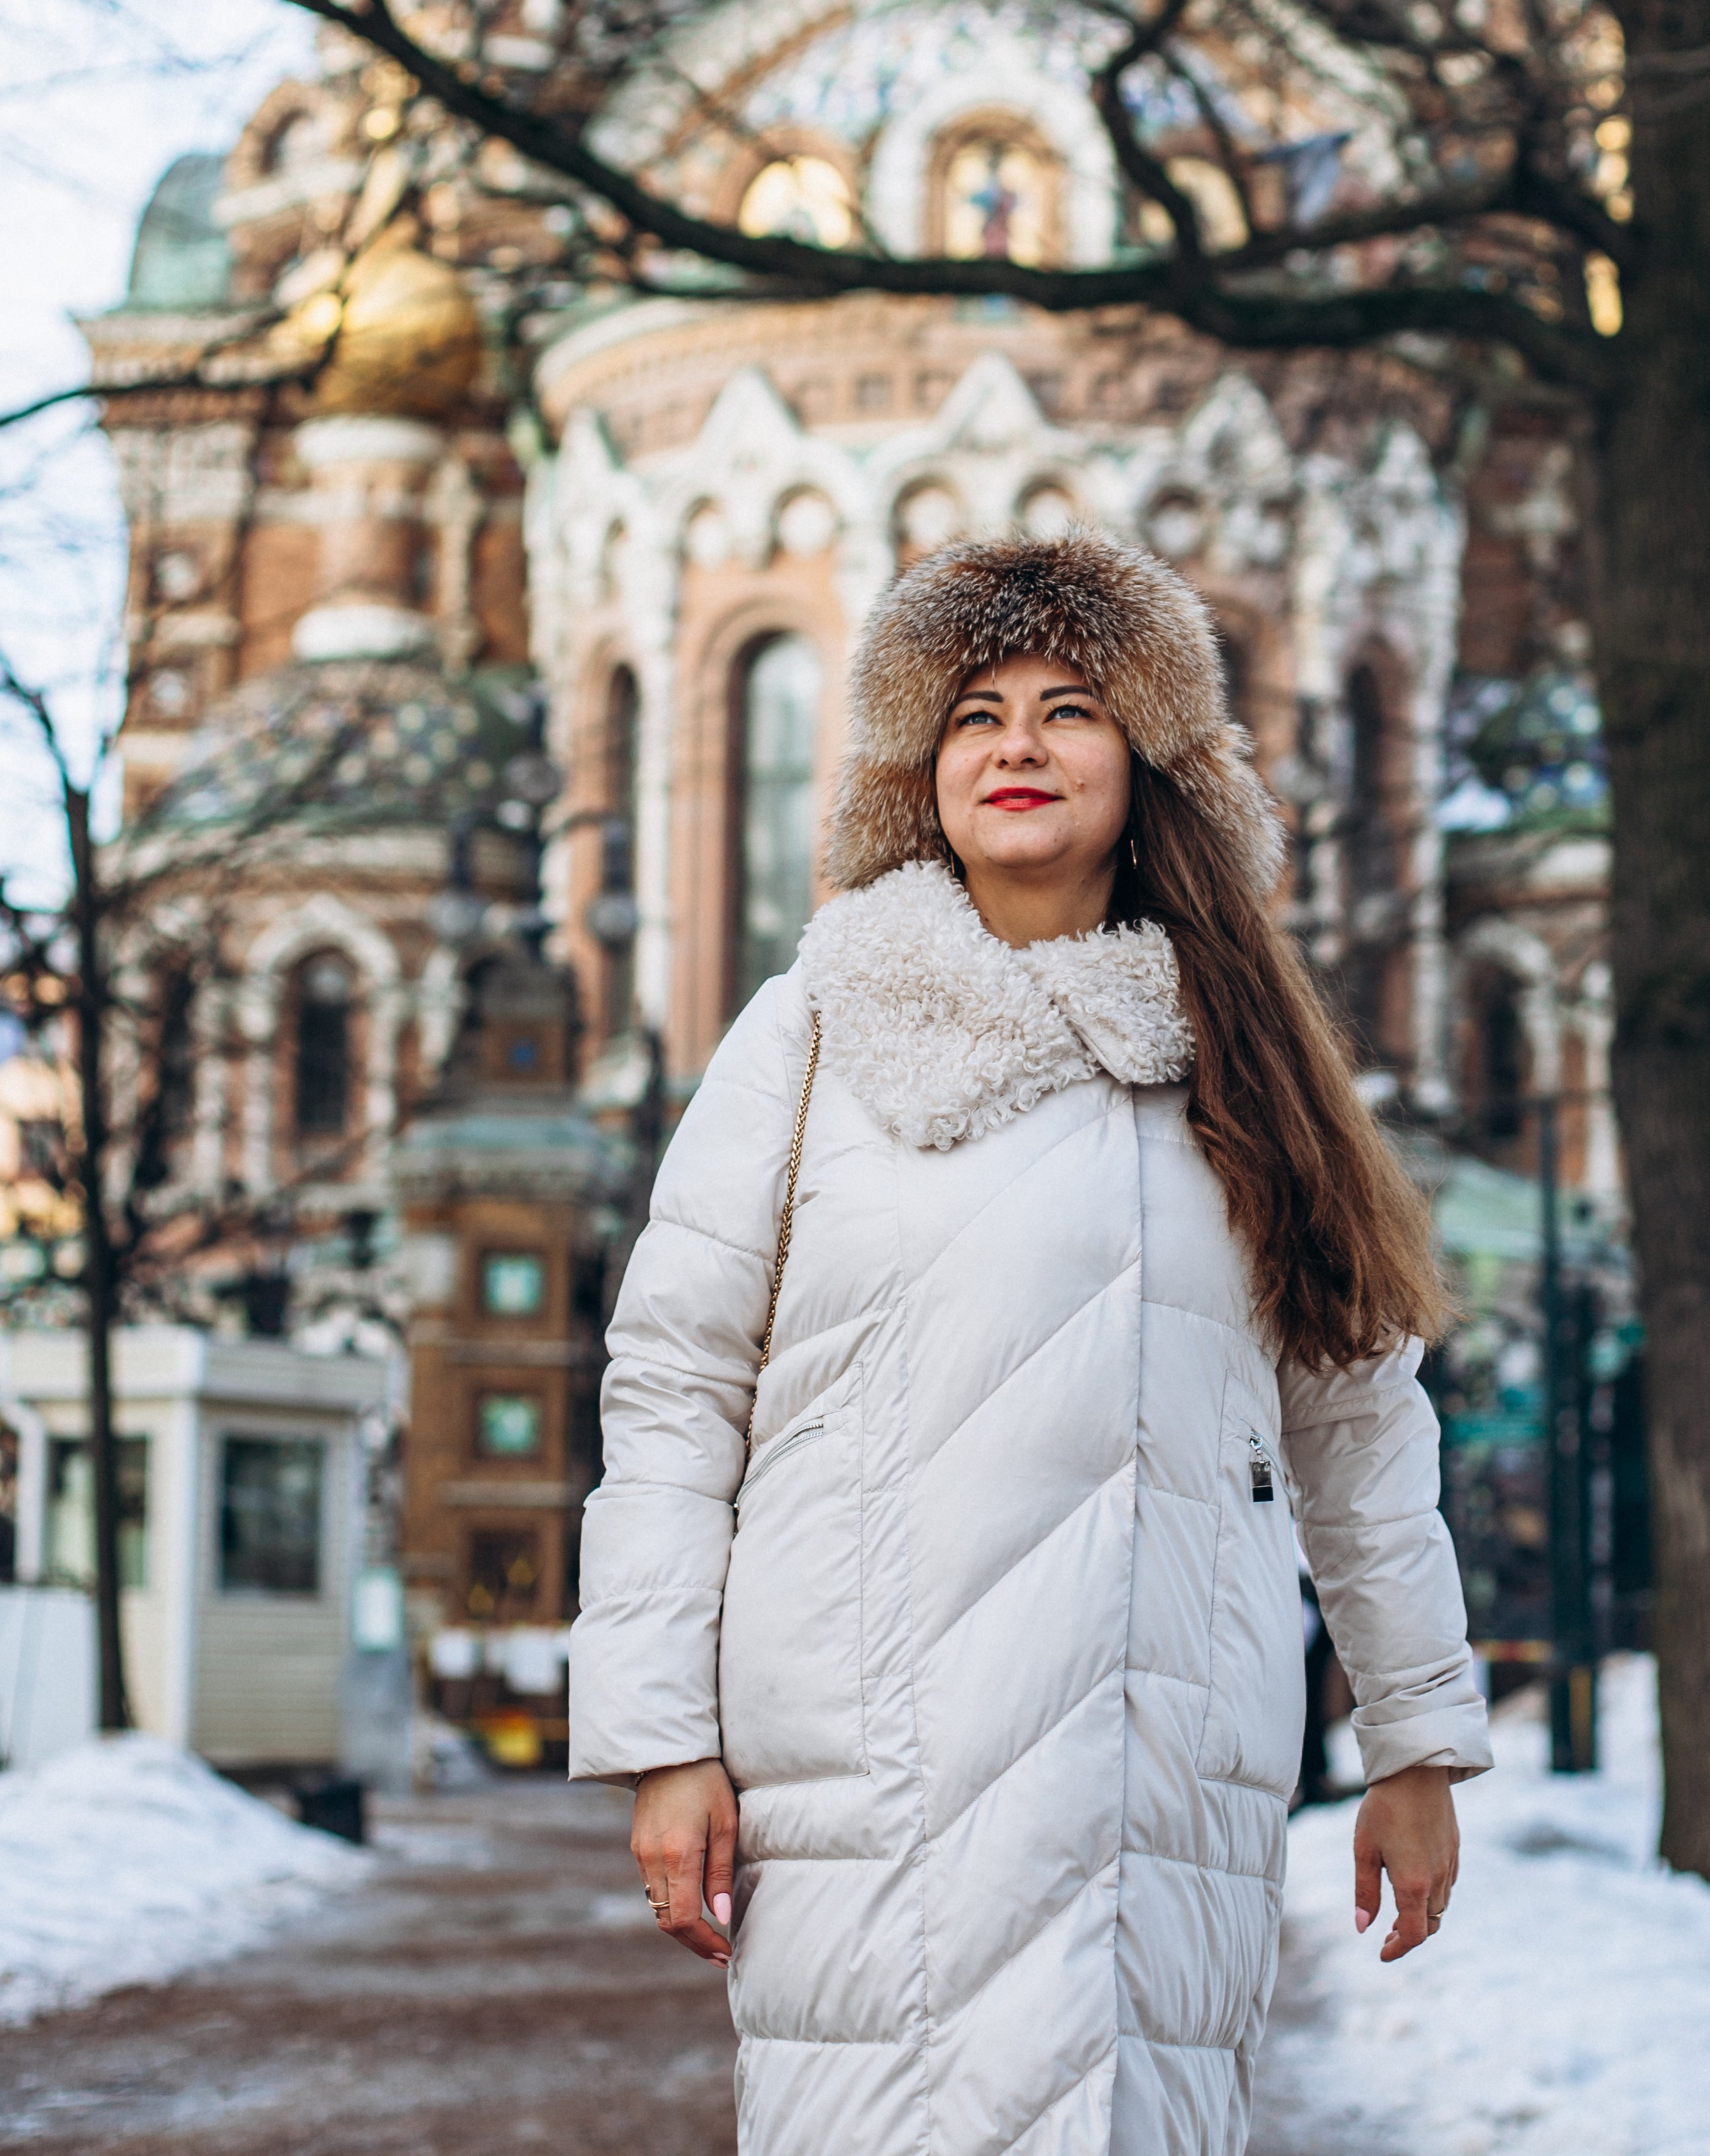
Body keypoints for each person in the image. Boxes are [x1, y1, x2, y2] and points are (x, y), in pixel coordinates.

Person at [571, 531, 1491, 2156]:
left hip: (1161, 1766)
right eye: (973, 712)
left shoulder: (1247, 1062)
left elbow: (1358, 1424)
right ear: (917, 774)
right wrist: (661, 1740)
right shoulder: (809, 1030)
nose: (1016, 744)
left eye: (1068, 708)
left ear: (1147, 765)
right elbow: (674, 1390)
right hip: (868, 1765)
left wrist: (1411, 1738)